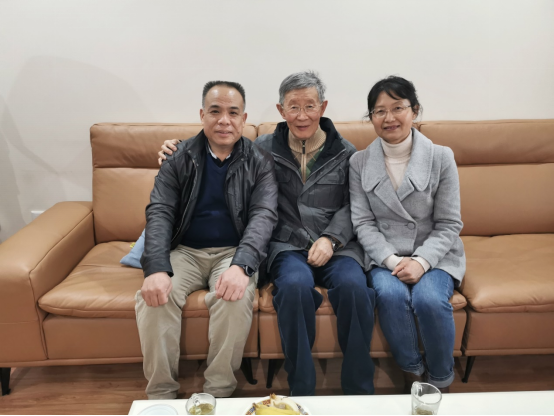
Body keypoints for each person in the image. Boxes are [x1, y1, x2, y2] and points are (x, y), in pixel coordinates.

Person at [160, 71, 376, 397]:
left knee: (354, 287)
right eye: (293, 107)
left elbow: (353, 205)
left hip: (337, 246)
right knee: (293, 287)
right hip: (287, 246)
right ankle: (301, 388)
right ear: (280, 110)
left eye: (310, 106)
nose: (301, 115)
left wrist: (331, 239)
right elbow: (218, 140)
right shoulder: (261, 149)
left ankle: (359, 391)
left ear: (322, 107)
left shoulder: (345, 152)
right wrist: (175, 147)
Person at [137, 80, 278, 400]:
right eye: (215, 111)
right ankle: (161, 395)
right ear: (202, 115)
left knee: (234, 298)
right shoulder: (178, 156)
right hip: (184, 251)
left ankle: (218, 393)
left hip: (233, 251)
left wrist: (242, 266)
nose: (224, 120)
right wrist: (155, 268)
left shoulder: (260, 160)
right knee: (154, 297)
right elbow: (159, 212)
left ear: (244, 119)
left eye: (233, 113)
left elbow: (264, 216)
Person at [349, 76, 466, 393]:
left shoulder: (441, 157)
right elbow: (363, 222)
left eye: (397, 107)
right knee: (390, 295)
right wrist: (390, 260)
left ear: (414, 110)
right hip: (385, 255)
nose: (389, 118)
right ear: (371, 117)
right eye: (379, 111)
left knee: (429, 299)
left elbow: (449, 223)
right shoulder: (359, 162)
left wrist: (421, 262)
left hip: (434, 254)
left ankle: (440, 380)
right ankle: (412, 372)